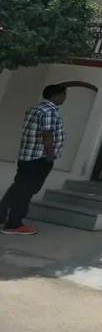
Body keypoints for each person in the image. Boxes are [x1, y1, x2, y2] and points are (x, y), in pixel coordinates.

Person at [0, 84, 67, 235]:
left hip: (27, 156)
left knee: (18, 188)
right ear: (56, 95)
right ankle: (14, 224)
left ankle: (3, 216)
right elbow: (47, 133)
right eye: (64, 95)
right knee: (26, 191)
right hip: (39, 158)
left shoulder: (35, 109)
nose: (64, 98)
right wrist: (50, 155)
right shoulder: (49, 111)